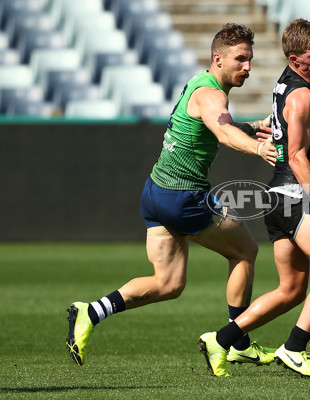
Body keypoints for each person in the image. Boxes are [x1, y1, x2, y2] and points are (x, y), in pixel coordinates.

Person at [65, 23, 279, 367]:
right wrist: (259, 148)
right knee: (245, 251)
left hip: (155, 192)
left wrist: (252, 126)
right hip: (183, 197)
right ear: (218, 58)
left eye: (250, 60)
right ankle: (237, 340)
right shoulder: (213, 95)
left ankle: (91, 311)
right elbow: (222, 132)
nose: (248, 67)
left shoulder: (198, 83)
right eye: (240, 59)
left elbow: (214, 125)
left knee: (168, 283)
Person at [197, 18, 310, 380]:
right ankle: (294, 349)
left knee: (292, 289)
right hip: (295, 196)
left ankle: (221, 339)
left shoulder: (288, 81)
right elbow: (297, 156)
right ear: (296, 59)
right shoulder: (300, 95)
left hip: (278, 198)